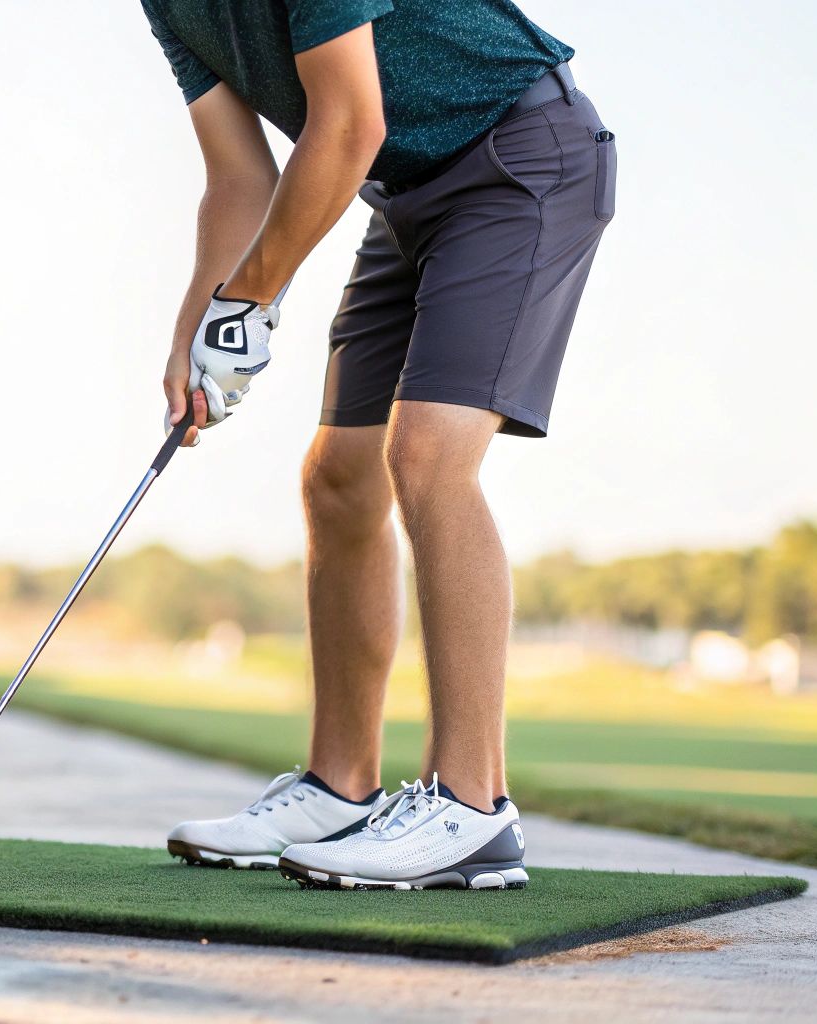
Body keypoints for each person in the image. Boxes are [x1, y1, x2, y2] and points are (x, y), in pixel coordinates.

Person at [148, 0, 615, 889]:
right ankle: (339, 788)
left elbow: (352, 120)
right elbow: (239, 178)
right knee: (337, 476)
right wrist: (198, 329)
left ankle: (473, 807)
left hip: (521, 156)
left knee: (429, 456)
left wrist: (250, 298)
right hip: (406, 196)